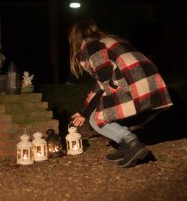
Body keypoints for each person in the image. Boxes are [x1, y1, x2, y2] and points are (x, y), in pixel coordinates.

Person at [69, 17, 173, 168]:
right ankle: (124, 146)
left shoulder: (90, 45)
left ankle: (132, 143)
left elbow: (104, 79)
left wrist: (87, 113)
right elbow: (100, 82)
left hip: (131, 84)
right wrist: (83, 111)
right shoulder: (107, 40)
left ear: (75, 38)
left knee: (96, 118)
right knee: (101, 111)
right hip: (148, 81)